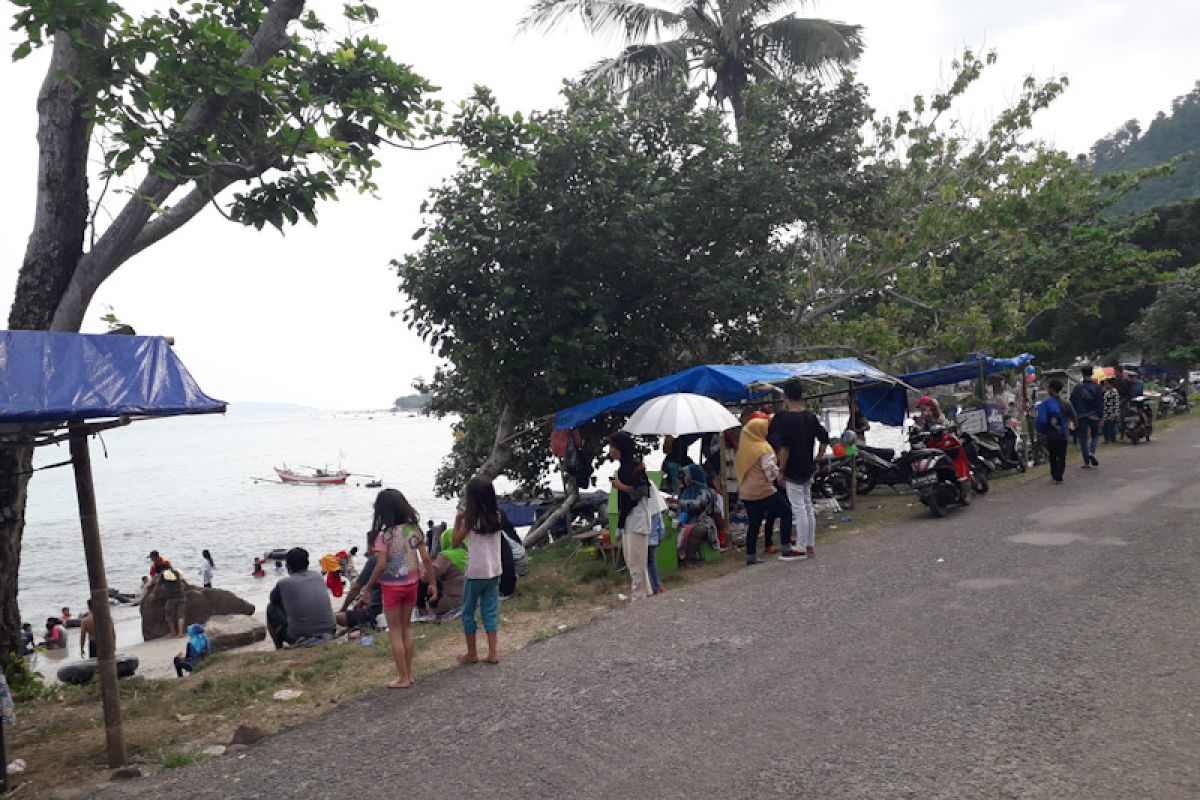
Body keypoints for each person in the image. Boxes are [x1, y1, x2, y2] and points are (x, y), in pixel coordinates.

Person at [361, 489, 436, 688]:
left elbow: (381, 565)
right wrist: (433, 582)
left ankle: (402, 677)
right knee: (407, 629)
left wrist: (368, 587)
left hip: (392, 588)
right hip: (412, 584)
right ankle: (409, 674)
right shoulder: (413, 530)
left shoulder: (384, 536)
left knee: (394, 631)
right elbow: (426, 558)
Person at [768, 378, 830, 560]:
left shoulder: (785, 418)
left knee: (799, 508)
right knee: (807, 505)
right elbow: (825, 439)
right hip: (807, 467)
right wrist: (817, 460)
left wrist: (781, 470)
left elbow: (785, 448)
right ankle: (809, 544)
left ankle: (801, 546)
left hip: (793, 469)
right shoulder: (809, 416)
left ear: (785, 396)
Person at [452, 476, 503, 665]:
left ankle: (472, 653)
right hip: (494, 570)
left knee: (468, 611)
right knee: (490, 611)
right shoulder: (497, 516)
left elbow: (455, 542)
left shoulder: (471, 520)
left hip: (475, 573)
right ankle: (493, 652)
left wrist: (457, 520)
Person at [736, 417, 793, 566]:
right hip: (763, 490)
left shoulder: (742, 450)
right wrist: (779, 478)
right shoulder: (763, 448)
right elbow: (769, 470)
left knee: (754, 523)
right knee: (786, 511)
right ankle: (786, 546)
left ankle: (750, 556)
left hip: (746, 493)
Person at [606, 432, 653, 600]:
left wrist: (621, 486)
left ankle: (638, 595)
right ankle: (646, 592)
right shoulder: (623, 469)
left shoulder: (635, 467)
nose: (610, 451)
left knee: (636, 560)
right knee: (631, 558)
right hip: (627, 518)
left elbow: (642, 491)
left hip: (637, 517)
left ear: (620, 448)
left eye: (612, 447)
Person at [267, 548, 337, 650]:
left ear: (287, 566)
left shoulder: (284, 583)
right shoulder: (318, 577)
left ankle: (279, 648)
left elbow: (273, 600)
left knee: (270, 608)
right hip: (330, 629)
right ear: (307, 563)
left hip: (300, 636)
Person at [414, 528, 467, 621]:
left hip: (451, 602)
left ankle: (422, 611)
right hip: (467, 599)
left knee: (421, 582)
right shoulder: (468, 554)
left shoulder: (447, 556)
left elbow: (426, 576)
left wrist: (422, 565)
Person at [336, 532, 384, 631]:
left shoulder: (374, 560)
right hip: (396, 606)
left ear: (372, 545)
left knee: (337, 617)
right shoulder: (396, 558)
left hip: (378, 612)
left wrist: (343, 609)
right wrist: (363, 599)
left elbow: (356, 588)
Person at [675, 464, 720, 564]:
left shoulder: (705, 491)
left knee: (696, 531)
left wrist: (680, 503)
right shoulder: (686, 491)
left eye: (686, 476)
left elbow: (698, 504)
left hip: (704, 521)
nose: (684, 479)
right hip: (688, 520)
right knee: (677, 530)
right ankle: (680, 559)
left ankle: (690, 559)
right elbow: (681, 507)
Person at [1037, 378, 1076, 484]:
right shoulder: (1066, 403)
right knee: (1062, 454)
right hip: (1063, 433)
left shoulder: (1046, 404)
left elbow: (1041, 419)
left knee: (1053, 454)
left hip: (1051, 434)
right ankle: (1059, 474)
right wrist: (1074, 427)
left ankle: (1054, 474)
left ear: (1051, 389)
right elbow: (1073, 416)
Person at [1069, 366, 1104, 468]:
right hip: (1093, 415)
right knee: (1095, 435)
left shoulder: (1077, 388)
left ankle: (1086, 462)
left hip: (1080, 416)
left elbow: (1072, 402)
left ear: (1082, 374)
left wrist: (1073, 416)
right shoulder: (1097, 387)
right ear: (1092, 373)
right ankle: (1091, 452)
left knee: (1083, 439)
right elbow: (1100, 403)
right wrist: (1100, 417)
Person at [149, 564, 189, 637]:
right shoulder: (177, 572)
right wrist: (190, 586)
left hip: (171, 597)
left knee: (169, 615)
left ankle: (173, 632)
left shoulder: (164, 574)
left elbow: (157, 585)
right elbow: (184, 581)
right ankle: (180, 633)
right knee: (180, 615)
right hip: (182, 596)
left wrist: (153, 594)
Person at [1102, 379, 1121, 444]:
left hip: (1112, 411)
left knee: (1111, 426)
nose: (1105, 385)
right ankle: (1106, 439)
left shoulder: (1114, 392)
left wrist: (1116, 411)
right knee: (1105, 426)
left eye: (1106, 384)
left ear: (1110, 384)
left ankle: (1112, 439)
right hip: (1106, 411)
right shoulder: (1106, 392)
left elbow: (1116, 402)